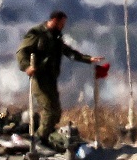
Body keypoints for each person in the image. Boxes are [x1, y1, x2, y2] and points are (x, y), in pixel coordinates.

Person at [16, 10, 101, 148]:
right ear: (54, 20)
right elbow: (21, 51)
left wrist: (88, 59)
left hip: (51, 78)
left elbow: (68, 52)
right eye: (61, 23)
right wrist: (27, 67)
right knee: (49, 110)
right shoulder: (37, 33)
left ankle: (45, 136)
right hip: (39, 78)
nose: (63, 27)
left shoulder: (56, 37)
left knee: (56, 112)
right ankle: (38, 140)